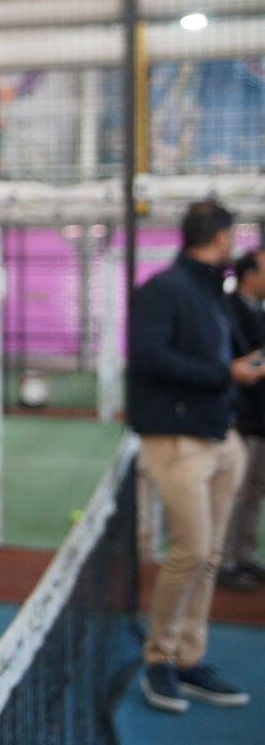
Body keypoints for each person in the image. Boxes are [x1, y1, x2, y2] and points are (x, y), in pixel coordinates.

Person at [130, 201, 265, 713]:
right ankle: (159, 660)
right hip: (177, 443)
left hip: (220, 439)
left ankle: (188, 658)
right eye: (233, 236)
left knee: (207, 558)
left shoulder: (214, 294)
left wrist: (234, 375)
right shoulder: (164, 290)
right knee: (190, 552)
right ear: (220, 238)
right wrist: (226, 374)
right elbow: (148, 357)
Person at [220, 247, 265, 591]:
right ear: (249, 275)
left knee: (253, 493)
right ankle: (225, 562)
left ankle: (243, 555)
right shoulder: (227, 310)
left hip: (259, 420)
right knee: (235, 493)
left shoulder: (258, 311)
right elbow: (238, 363)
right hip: (240, 420)